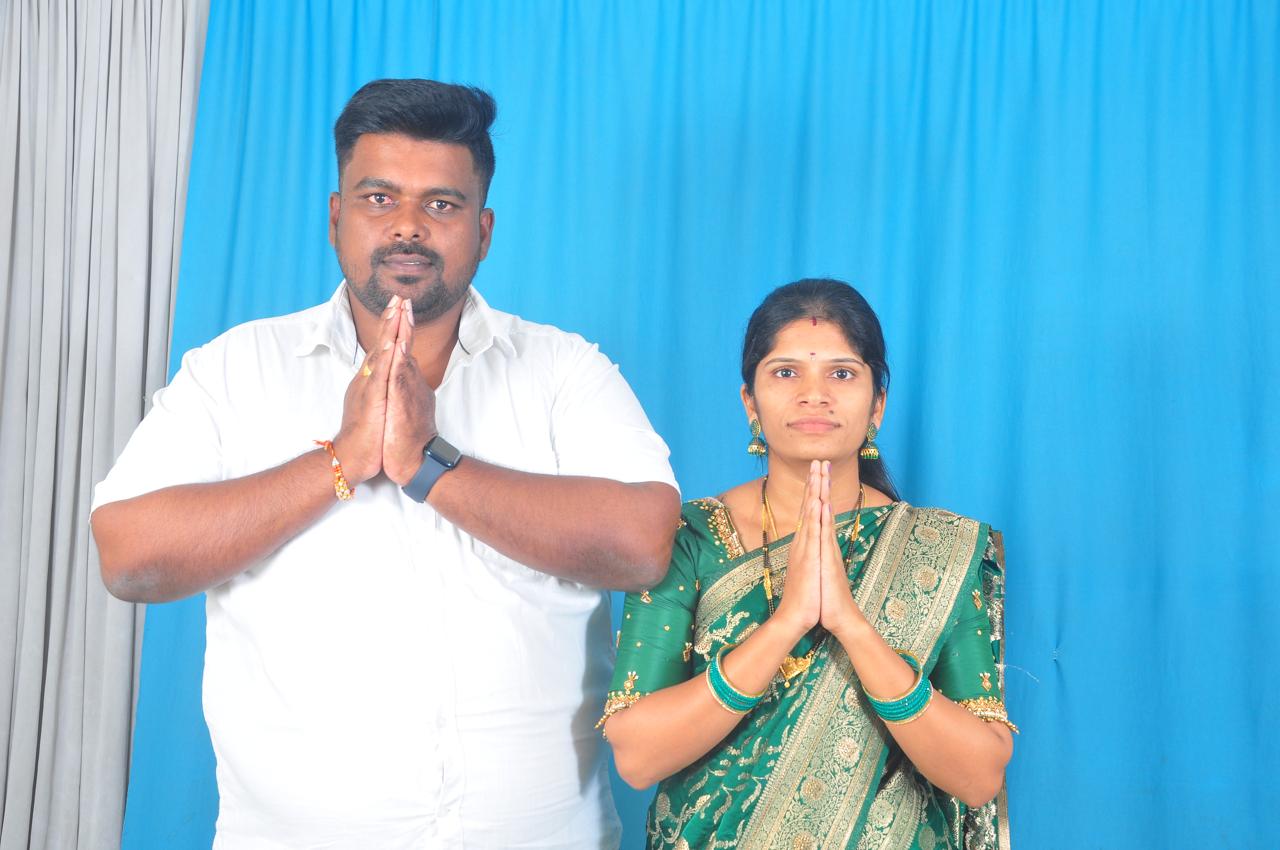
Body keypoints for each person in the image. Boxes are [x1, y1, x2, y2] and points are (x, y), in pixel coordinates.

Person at [91, 79, 680, 849]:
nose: (408, 225)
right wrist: (342, 459)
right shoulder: (235, 369)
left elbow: (643, 544)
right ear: (336, 217)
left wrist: (429, 465)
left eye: (442, 203)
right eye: (379, 198)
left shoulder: (564, 371)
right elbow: (129, 557)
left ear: (484, 231)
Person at [601, 279, 1016, 850]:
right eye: (785, 372)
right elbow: (637, 756)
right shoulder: (686, 538)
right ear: (750, 401)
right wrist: (786, 623)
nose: (813, 395)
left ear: (877, 405)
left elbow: (979, 776)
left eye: (841, 373)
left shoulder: (939, 549)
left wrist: (851, 625)